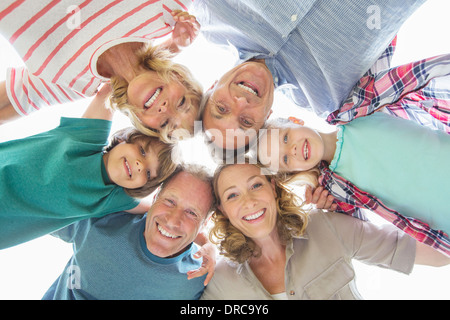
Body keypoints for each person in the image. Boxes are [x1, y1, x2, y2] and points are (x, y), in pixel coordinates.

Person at [192, 0, 427, 149]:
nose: (241, 102)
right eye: (246, 121)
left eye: (221, 108)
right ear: (267, 117)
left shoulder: (208, 15)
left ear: (212, 86)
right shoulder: (331, 101)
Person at [201, 163, 450, 300]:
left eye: (256, 185)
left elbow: (437, 254)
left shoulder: (326, 227)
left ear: (273, 188)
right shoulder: (220, 283)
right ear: (222, 210)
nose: (249, 201)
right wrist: (201, 244)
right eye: (233, 195)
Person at [0, 85, 177, 250]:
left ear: (143, 186)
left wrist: (203, 241)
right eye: (142, 151)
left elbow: (158, 212)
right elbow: (111, 89)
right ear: (124, 139)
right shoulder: (87, 139)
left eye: (147, 173)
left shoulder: (111, 197)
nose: (139, 165)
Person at [0, 1, 202, 141]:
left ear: (142, 122)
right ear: (179, 77)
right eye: (182, 102)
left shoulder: (73, 83)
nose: (165, 109)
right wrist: (174, 45)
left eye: (166, 124)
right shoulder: (169, 9)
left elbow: (13, 102)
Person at [42, 165, 216, 300]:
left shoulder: (202, 277)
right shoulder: (102, 223)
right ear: (154, 198)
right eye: (169, 201)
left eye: (191, 213)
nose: (172, 221)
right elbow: (38, 203)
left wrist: (209, 243)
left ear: (205, 224)